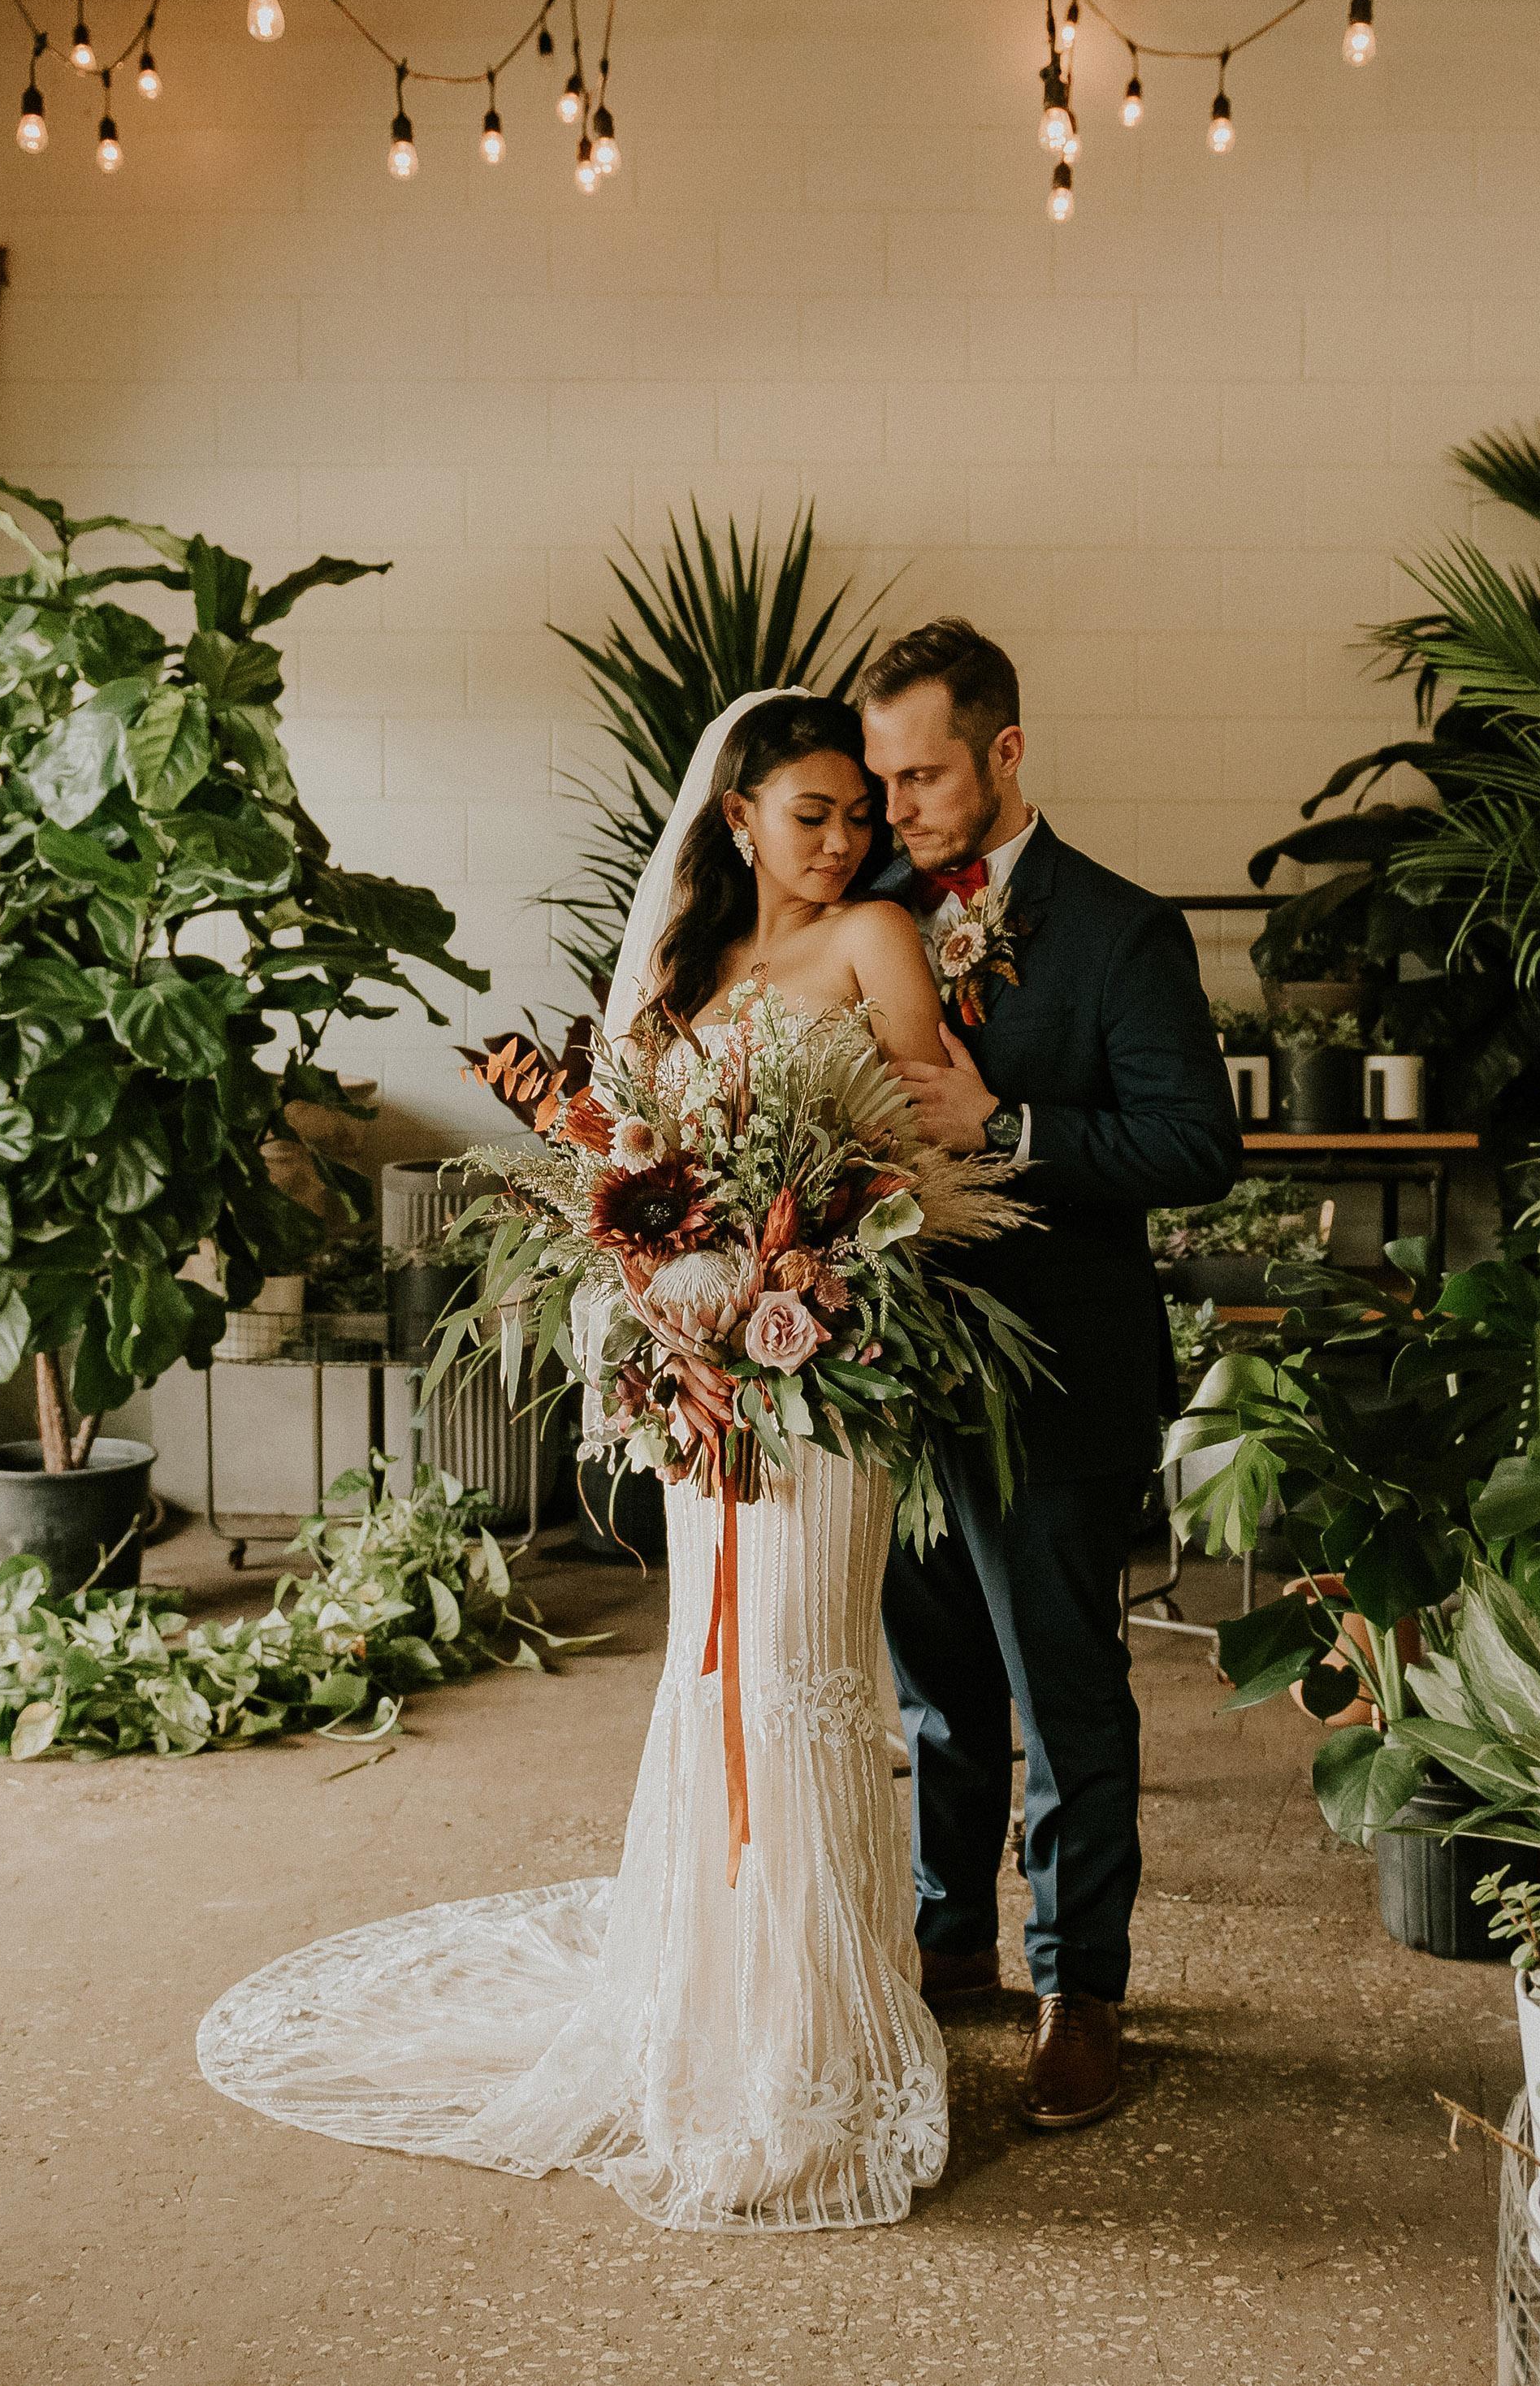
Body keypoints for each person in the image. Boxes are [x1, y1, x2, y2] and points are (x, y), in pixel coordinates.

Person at [197, 692, 963, 2232]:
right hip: (696, 1381)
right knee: (712, 1678)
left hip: (821, 1372)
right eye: (809, 814)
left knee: (801, 1682)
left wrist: (802, 1267)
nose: (841, 841)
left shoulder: (877, 938)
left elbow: (930, 1149)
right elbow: (616, 1162)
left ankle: (814, 2051)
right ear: (735, 816)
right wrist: (664, 1303)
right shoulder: (680, 967)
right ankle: (712, 2015)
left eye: (856, 816)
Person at [856, 619, 1245, 2133]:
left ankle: (1081, 1988)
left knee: (1063, 1693)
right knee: (936, 1691)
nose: (894, 808)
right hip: (894, 1376)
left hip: (1062, 1378)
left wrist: (1005, 1129)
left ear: (1005, 752)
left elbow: (1194, 1145)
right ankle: (951, 1936)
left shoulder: (1121, 931)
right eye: (881, 779)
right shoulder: (869, 910)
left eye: (922, 777)